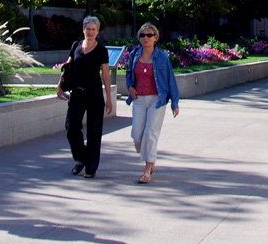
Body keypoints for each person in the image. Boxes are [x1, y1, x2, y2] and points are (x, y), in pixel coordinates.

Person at [57, 15, 113, 178]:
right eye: (87, 29)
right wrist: (60, 85)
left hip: (94, 94)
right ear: (83, 29)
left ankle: (91, 168)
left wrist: (109, 98)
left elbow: (106, 75)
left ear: (97, 31)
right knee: (71, 127)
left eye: (93, 29)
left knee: (94, 132)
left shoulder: (101, 50)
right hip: (77, 93)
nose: (90, 32)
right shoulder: (76, 46)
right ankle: (81, 158)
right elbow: (67, 67)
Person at [125, 24, 179, 183]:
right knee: (137, 135)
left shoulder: (161, 57)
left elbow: (170, 80)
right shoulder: (134, 55)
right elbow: (129, 73)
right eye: (142, 35)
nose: (145, 38)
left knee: (150, 133)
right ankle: (150, 156)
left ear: (155, 37)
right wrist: (130, 87)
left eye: (149, 35)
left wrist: (174, 103)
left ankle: (147, 169)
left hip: (157, 99)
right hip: (139, 99)